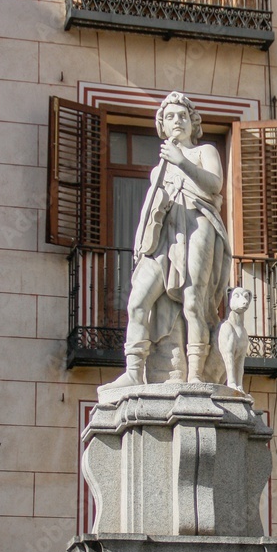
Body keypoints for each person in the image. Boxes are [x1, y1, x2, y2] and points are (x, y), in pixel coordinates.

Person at [113, 91, 232, 386]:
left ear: (192, 123)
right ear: (162, 127)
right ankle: (132, 372)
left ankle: (194, 374)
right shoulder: (159, 169)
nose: (176, 120)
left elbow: (215, 186)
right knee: (137, 301)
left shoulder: (204, 152)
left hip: (198, 223)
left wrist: (182, 162)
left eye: (182, 116)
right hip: (164, 237)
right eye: (169, 117)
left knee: (194, 302)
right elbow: (151, 211)